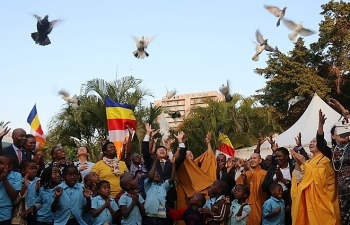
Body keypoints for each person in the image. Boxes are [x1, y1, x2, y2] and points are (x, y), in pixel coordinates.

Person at [291, 116, 342, 225]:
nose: (311, 143)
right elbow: (299, 179)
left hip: (320, 203)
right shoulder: (309, 161)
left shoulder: (326, 160)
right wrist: (297, 163)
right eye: (310, 141)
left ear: (321, 144)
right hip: (306, 201)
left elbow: (321, 180)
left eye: (314, 141)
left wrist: (304, 162)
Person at [142, 123, 187, 225]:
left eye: (164, 149)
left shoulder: (172, 163)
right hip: (152, 198)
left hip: (168, 197)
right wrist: (148, 134)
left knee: (167, 221)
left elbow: (182, 156)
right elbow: (145, 151)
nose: (162, 150)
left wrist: (180, 141)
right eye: (159, 149)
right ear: (155, 153)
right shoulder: (152, 163)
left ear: (167, 153)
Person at [316, 99, 350, 224]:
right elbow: (320, 144)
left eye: (344, 129)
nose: (342, 132)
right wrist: (320, 125)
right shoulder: (332, 152)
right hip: (342, 194)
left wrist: (343, 111)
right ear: (333, 136)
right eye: (339, 130)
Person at [175, 131, 217, 225]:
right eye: (187, 154)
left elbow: (209, 158)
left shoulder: (198, 166)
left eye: (191, 154)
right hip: (183, 191)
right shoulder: (182, 164)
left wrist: (209, 143)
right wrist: (181, 142)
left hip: (199, 197)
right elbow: (177, 157)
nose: (190, 155)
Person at [262, 147, 293, 225]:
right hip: (273, 201)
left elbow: (296, 186)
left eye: (280, 156)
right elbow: (264, 187)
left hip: (288, 200)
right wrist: (276, 180)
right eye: (276, 156)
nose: (277, 158)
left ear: (286, 157)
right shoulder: (272, 168)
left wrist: (282, 179)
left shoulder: (292, 168)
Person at [236, 153, 268, 225]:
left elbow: (261, 187)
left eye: (254, 158)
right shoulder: (246, 173)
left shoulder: (264, 173)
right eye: (250, 158)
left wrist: (250, 169)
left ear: (260, 161)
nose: (252, 160)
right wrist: (244, 178)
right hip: (244, 204)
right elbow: (238, 187)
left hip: (258, 204)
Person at [143, 156, 176, 225]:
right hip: (149, 216)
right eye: (154, 173)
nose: (156, 174)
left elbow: (172, 179)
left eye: (157, 173)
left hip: (161, 217)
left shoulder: (163, 186)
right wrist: (155, 162)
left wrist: (173, 164)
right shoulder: (148, 186)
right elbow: (151, 176)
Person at [11, 160, 39, 225]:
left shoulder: (39, 181)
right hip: (23, 212)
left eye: (36, 168)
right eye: (31, 168)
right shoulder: (19, 181)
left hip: (36, 211)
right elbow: (16, 200)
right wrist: (24, 187)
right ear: (23, 171)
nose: (34, 171)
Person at [0, 155, 22, 225]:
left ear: (9, 167)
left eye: (1, 163)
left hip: (5, 212)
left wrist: (5, 179)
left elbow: (14, 196)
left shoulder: (16, 175)